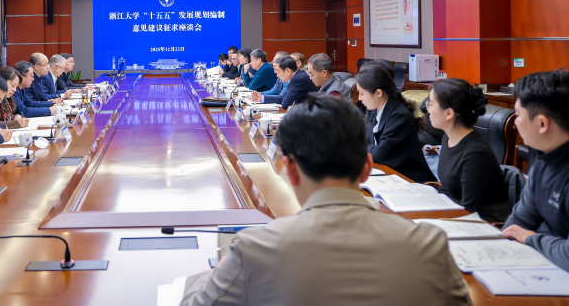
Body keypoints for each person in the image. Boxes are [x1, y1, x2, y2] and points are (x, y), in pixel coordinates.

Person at [180, 95, 471, 305]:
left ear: (289, 169)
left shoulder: (254, 250)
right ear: (366, 168)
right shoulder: (430, 245)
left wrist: (218, 271)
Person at [503, 69, 569, 271]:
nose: (515, 122)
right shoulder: (545, 157)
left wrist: (531, 238)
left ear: (542, 123)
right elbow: (518, 222)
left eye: (518, 115)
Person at [426, 78, 509, 221]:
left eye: (431, 104)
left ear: (449, 113)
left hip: (482, 224)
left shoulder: (475, 154)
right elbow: (447, 189)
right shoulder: (448, 138)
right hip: (455, 215)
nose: (427, 109)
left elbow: (470, 210)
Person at [356, 64, 434, 183]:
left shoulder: (399, 116)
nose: (359, 98)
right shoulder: (373, 109)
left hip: (410, 181)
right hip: (387, 175)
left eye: (362, 94)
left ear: (378, 93)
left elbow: (380, 154)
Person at [250, 56, 317, 109]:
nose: (277, 76)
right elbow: (282, 98)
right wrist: (261, 98)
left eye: (278, 71)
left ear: (288, 71)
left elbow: (285, 104)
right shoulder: (295, 77)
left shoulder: (299, 79)